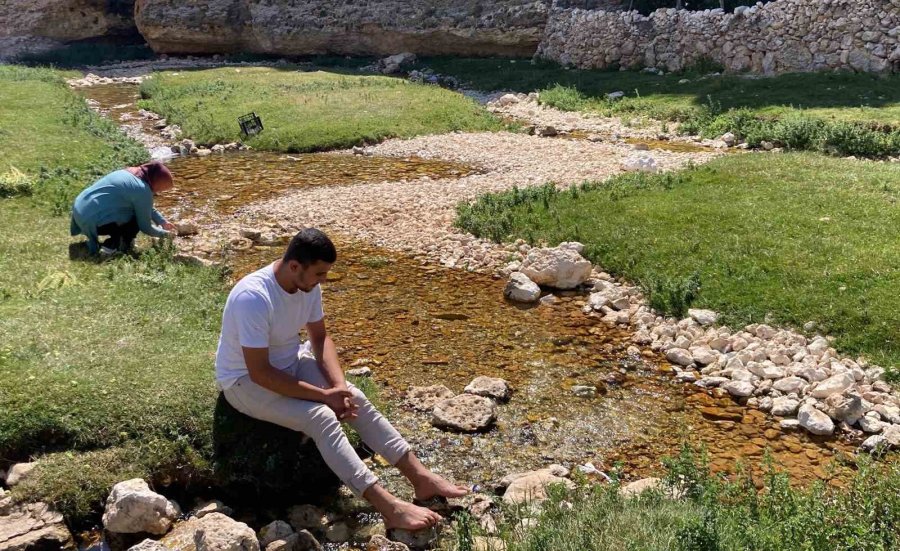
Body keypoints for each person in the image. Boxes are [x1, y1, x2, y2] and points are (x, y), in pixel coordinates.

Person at [215, 228, 467, 530]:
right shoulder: (253, 297)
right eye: (319, 274)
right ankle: (388, 506)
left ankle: (421, 478)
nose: (323, 281)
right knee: (321, 417)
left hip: (290, 364)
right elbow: (260, 372)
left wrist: (338, 387)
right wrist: (324, 397)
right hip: (244, 383)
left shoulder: (306, 285)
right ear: (295, 266)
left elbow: (320, 338)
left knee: (354, 397)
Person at [70, 161, 176, 255]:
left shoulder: (128, 172)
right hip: (91, 220)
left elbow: (146, 207)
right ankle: (112, 246)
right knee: (135, 217)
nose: (159, 192)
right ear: (156, 181)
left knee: (132, 210)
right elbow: (145, 227)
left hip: (78, 213)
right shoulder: (143, 190)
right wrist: (166, 235)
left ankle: (117, 240)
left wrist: (162, 221)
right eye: (161, 189)